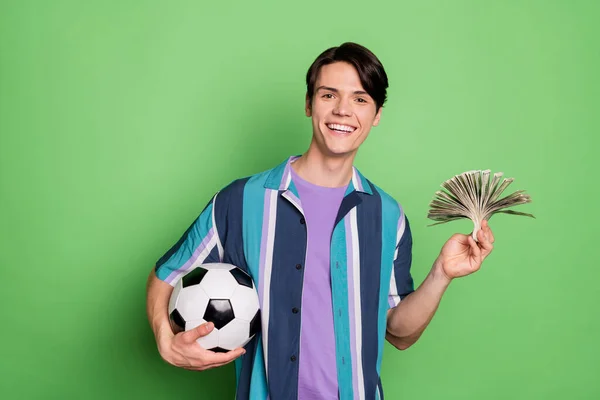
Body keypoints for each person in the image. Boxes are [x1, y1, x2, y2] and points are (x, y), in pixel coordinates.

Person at [146, 42, 495, 400]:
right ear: (309, 103)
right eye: (329, 95)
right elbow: (167, 275)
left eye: (360, 99)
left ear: (376, 114)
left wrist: (442, 273)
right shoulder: (241, 201)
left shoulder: (388, 217)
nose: (343, 111)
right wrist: (164, 338)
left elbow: (399, 333)